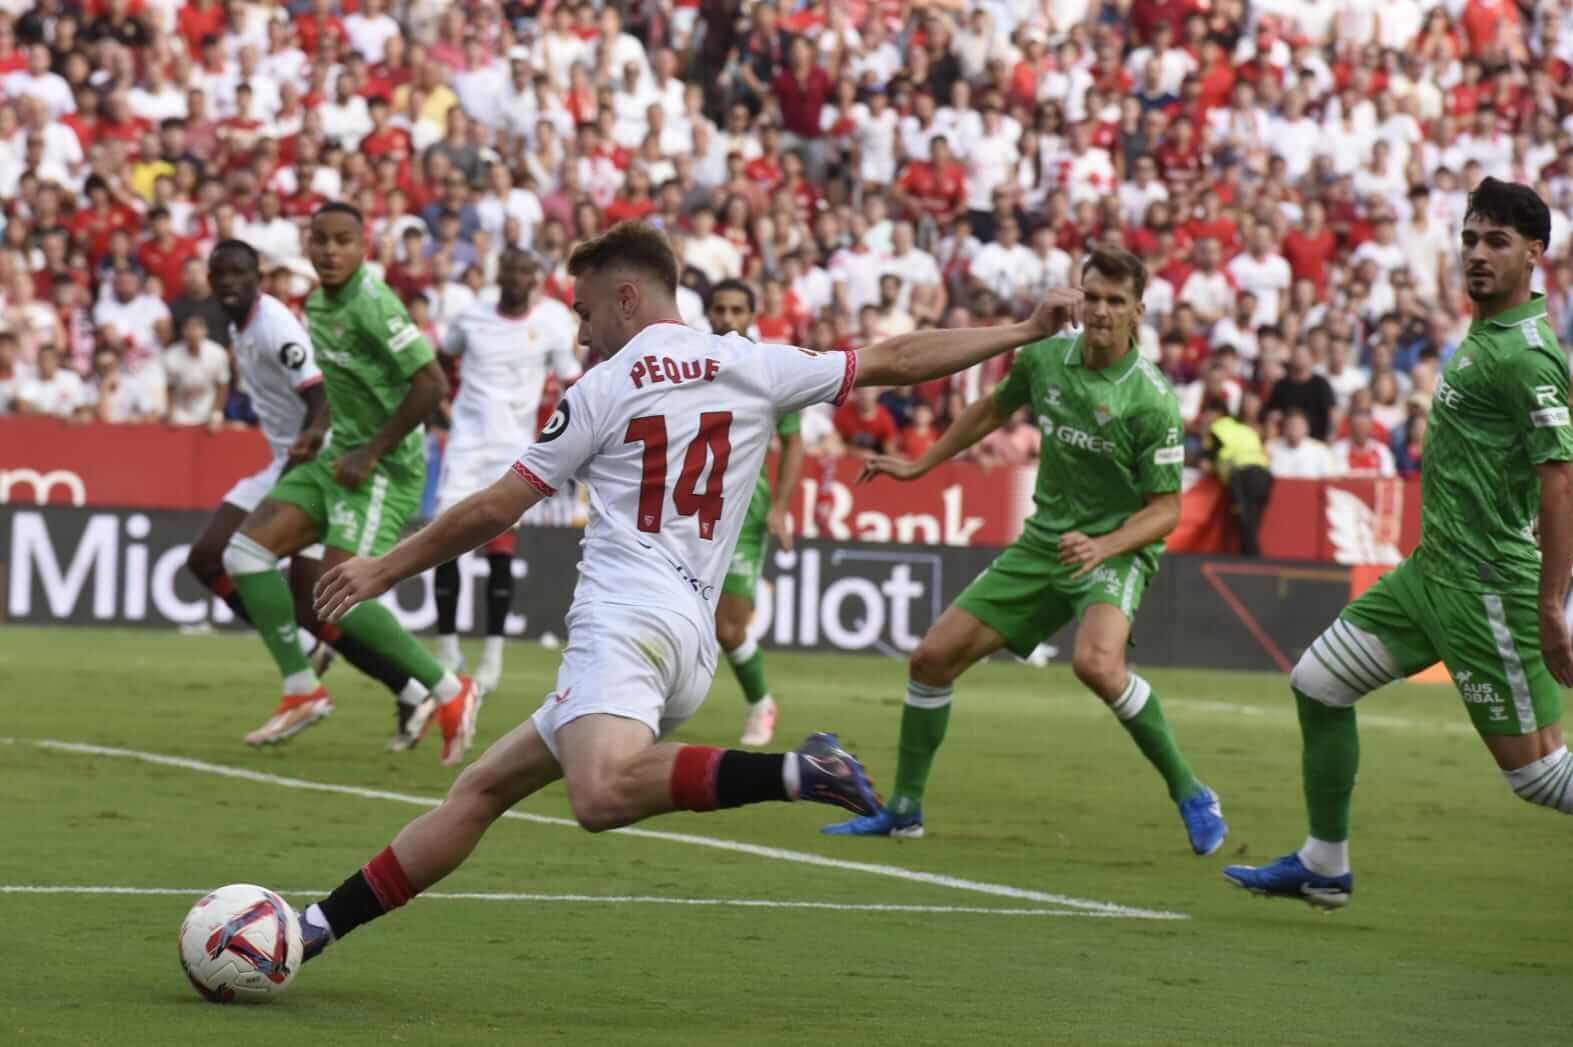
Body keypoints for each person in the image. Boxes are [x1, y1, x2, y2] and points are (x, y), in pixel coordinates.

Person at [293, 221, 1086, 962]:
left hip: (623, 622)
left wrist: (380, 569)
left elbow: (499, 504)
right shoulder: (752, 361)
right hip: (686, 642)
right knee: (479, 790)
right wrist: (1020, 331)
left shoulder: (604, 388)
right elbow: (894, 358)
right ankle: (311, 928)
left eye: (586, 311)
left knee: (598, 795)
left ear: (628, 297)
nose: (581, 332)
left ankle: (801, 770)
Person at [1224, 178, 1573, 909]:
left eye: (1496, 241)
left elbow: (1561, 484)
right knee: (1318, 683)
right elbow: (1560, 417)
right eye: (1468, 239)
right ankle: (1325, 864)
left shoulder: (1521, 352)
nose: (1477, 254)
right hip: (1430, 574)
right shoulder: (1495, 333)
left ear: (1535, 252)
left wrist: (1552, 602)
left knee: (1540, 776)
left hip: (1488, 586)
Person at [821, 247, 1226, 856]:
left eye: (1116, 301)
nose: (1101, 311)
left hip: (1115, 549)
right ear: (1077, 297)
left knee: (1096, 665)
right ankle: (903, 810)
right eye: (1092, 296)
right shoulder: (1042, 355)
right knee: (931, 660)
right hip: (1045, 541)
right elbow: (990, 409)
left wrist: (1104, 545)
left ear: (1139, 311)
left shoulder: (1152, 401)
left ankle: (1193, 792)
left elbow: (1166, 509)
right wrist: (918, 465)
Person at [219, 206, 478, 762]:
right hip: (338, 455)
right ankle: (301, 688)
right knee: (242, 554)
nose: (331, 252)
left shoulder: (373, 304)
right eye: (321, 242)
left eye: (343, 242)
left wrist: (372, 450)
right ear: (308, 246)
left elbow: (432, 386)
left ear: (364, 247)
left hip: (382, 467)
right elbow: (340, 385)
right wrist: (318, 429)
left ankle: (450, 687)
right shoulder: (317, 303)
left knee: (338, 596)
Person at [432, 248, 582, 697]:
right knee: (444, 542)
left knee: (498, 548)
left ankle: (493, 654)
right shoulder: (470, 317)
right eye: (510, 268)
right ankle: (446, 648)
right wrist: (446, 404)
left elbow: (572, 383)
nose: (516, 276)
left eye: (525, 270)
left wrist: (565, 435)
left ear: (535, 278)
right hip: (464, 445)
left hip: (513, 450)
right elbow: (442, 360)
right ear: (499, 273)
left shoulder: (554, 322)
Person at [704, 278, 805, 746]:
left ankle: (760, 703)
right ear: (707, 314)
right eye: (719, 309)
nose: (727, 318)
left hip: (744, 512)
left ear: (751, 315)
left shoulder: (769, 370)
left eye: (737, 310)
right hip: (687, 509)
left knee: (729, 627)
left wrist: (781, 507)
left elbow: (793, 441)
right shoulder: (690, 365)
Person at [1201, 401, 1273, 556]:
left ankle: (1250, 560)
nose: (1204, 418)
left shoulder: (1217, 429)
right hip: (1264, 475)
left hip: (1242, 475)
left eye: (1207, 414)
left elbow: (1205, 463)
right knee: (1252, 520)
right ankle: (1251, 558)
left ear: (1217, 415)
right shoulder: (1246, 429)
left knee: (1242, 517)